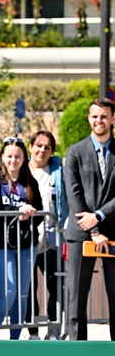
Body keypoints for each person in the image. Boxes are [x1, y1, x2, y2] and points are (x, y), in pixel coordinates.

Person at [65, 97, 115, 341]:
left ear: (113, 119)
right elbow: (73, 192)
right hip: (81, 233)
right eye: (95, 116)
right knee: (76, 299)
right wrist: (93, 230)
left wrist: (99, 216)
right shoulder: (75, 151)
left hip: (113, 231)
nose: (99, 120)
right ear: (89, 118)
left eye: (104, 116)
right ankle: (76, 353)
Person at [0, 137, 42, 340]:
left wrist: (30, 213)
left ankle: (14, 341)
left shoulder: (30, 181)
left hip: (27, 243)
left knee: (23, 295)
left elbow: (40, 211)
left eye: (18, 156)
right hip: (2, 244)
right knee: (8, 293)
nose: (13, 160)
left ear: (24, 158)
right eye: (9, 156)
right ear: (2, 157)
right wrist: (17, 211)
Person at [27, 131, 68, 340]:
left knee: (56, 286)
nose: (42, 150)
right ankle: (33, 332)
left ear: (52, 151)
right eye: (38, 145)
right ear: (31, 147)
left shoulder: (58, 172)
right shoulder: (22, 170)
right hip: (27, 240)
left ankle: (53, 331)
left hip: (51, 240)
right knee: (29, 288)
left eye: (47, 147)